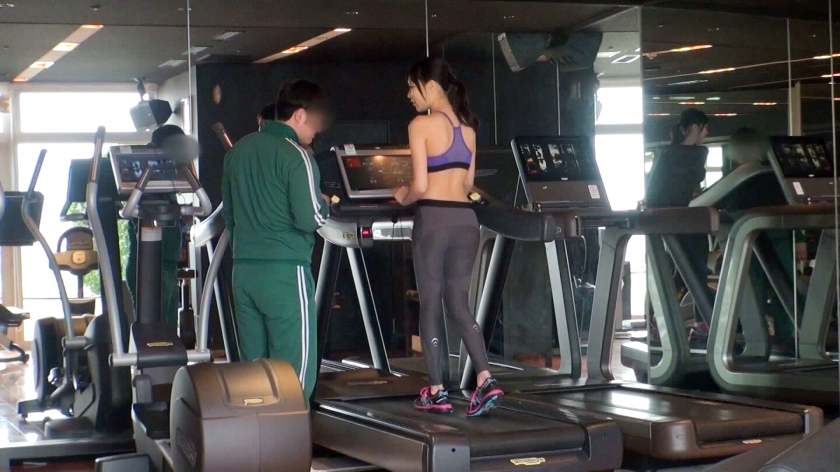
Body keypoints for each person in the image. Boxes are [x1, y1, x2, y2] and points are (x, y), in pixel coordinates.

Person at [393, 57, 503, 416]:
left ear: (431, 86)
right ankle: (485, 378)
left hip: (434, 218)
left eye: (412, 86)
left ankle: (437, 391)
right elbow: (468, 183)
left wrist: (402, 195)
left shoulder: (420, 126)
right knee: (458, 303)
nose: (409, 94)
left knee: (431, 302)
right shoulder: (468, 130)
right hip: (465, 220)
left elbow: (421, 185)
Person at [222, 80, 331, 407]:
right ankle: (293, 434)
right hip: (285, 273)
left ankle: (259, 435)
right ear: (300, 115)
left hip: (243, 272)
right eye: (317, 120)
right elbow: (310, 218)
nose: (318, 129)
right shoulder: (297, 156)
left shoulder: (238, 151)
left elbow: (230, 216)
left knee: (253, 373)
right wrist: (325, 203)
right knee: (294, 375)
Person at [126, 124, 185, 331]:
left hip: (167, 264)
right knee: (152, 331)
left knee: (169, 330)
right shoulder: (145, 174)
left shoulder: (165, 175)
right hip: (148, 265)